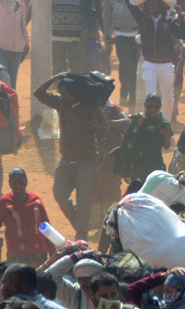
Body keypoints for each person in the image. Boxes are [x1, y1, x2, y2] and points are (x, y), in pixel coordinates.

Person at [33, 72, 129, 241]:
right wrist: (54, 78)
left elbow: (104, 130)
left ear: (76, 93)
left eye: (68, 94)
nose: (65, 97)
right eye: (62, 94)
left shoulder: (91, 109)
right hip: (66, 160)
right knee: (60, 195)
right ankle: (80, 224)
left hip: (86, 162)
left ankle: (81, 235)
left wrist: (96, 127)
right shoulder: (61, 104)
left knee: (84, 201)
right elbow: (38, 94)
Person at [0, 168, 53, 267]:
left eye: (21, 183)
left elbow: (47, 227)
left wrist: (53, 253)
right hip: (17, 255)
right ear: (9, 184)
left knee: (39, 281)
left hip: (39, 254)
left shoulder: (36, 200)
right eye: (15, 183)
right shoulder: (4, 203)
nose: (18, 187)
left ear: (26, 182)